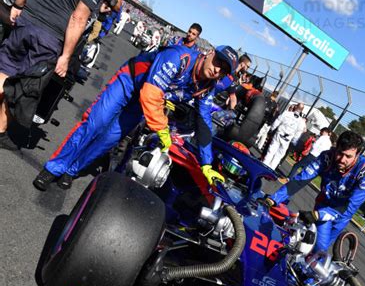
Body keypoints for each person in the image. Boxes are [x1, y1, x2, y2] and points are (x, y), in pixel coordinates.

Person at [32, 44, 239, 191]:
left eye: (224, 70)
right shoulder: (179, 57)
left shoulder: (207, 87)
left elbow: (204, 123)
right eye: (218, 61)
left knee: (110, 139)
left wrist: (206, 164)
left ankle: (73, 169)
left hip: (143, 101)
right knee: (95, 124)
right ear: (210, 53)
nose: (217, 69)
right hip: (129, 82)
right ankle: (54, 168)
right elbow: (150, 93)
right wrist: (162, 129)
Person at [0, 0, 121, 151]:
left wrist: (18, 4)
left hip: (28, 19)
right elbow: (78, 18)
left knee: (5, 71)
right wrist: (66, 56)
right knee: (22, 86)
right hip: (51, 35)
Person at [265, 130, 365, 253]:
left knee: (320, 255)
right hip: (324, 205)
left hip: (343, 213)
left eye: (348, 156)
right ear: (336, 147)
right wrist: (273, 199)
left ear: (358, 154)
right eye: (340, 153)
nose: (342, 159)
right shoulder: (326, 157)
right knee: (318, 249)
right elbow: (299, 180)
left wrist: (319, 215)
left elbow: (352, 204)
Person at [262, 103, 306, 171]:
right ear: (302, 110)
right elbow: (297, 134)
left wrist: (271, 129)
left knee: (271, 151)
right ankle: (271, 169)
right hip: (287, 140)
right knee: (279, 155)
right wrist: (293, 140)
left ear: (296, 106)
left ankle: (264, 165)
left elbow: (277, 121)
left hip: (278, 135)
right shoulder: (302, 122)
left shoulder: (286, 113)